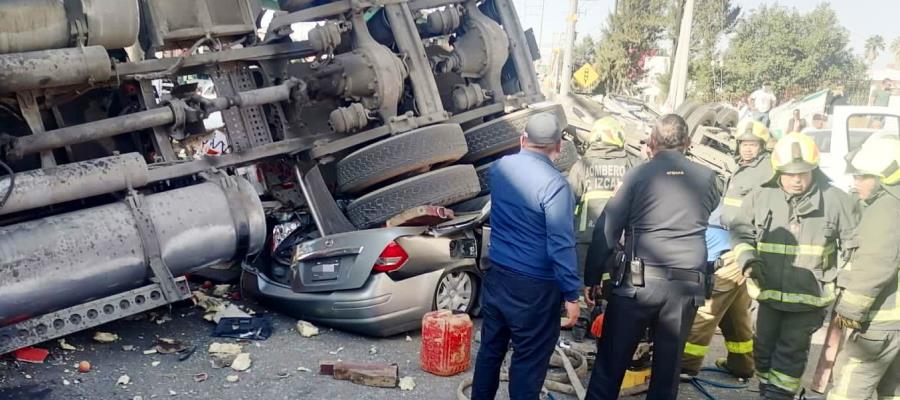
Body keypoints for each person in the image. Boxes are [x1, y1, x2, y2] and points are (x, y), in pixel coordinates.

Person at [583, 114, 721, 399]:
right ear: (688, 143)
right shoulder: (708, 179)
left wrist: (592, 278)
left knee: (610, 366)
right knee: (667, 374)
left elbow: (607, 229)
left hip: (639, 284)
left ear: (652, 142)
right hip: (686, 287)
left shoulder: (637, 174)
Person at [730, 132, 859, 399]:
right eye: (789, 174)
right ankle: (768, 391)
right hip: (767, 296)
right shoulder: (760, 196)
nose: (797, 179)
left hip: (808, 301)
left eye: (803, 173)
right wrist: (748, 259)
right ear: (778, 171)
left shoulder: (836, 200)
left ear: (814, 169)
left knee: (790, 354)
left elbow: (854, 248)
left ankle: (779, 395)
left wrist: (847, 290)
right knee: (762, 352)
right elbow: (741, 233)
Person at [471, 112, 581, 400]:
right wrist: (572, 295)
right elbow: (560, 244)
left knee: (490, 352)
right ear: (558, 147)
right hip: (536, 289)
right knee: (528, 363)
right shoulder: (556, 185)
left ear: (522, 140)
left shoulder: (499, 169)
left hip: (498, 276)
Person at [828, 137, 900, 400]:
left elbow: (875, 266)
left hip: (881, 322)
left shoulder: (885, 210)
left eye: (864, 177)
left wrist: (848, 312)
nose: (856, 183)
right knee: (893, 390)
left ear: (887, 176)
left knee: (849, 387)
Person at [680, 207, 755, 380]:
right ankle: (742, 366)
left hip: (723, 264)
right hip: (738, 260)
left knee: (704, 313)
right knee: (736, 317)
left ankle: (685, 366)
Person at [567, 116, 638, 279]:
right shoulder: (631, 165)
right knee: (612, 285)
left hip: (585, 239)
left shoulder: (581, 166)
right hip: (618, 240)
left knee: (583, 284)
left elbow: (568, 204)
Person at [721, 119, 774, 228]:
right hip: (731, 232)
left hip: (747, 234)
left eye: (753, 145)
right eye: (745, 145)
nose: (748, 149)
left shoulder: (766, 169)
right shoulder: (742, 165)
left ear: (762, 146)